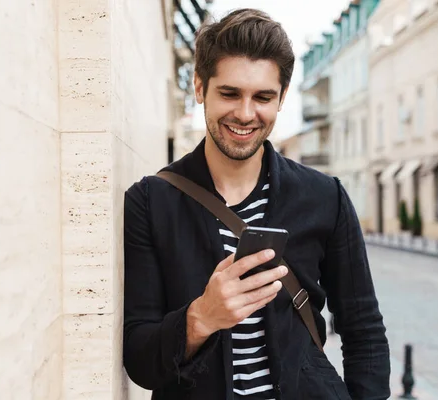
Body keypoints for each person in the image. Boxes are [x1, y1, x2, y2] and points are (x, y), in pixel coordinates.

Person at [123, 8, 390, 400]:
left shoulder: (324, 196)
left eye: (263, 96)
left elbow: (363, 328)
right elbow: (141, 361)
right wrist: (201, 317)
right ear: (200, 87)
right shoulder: (150, 201)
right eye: (229, 93)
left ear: (282, 98)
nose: (245, 114)